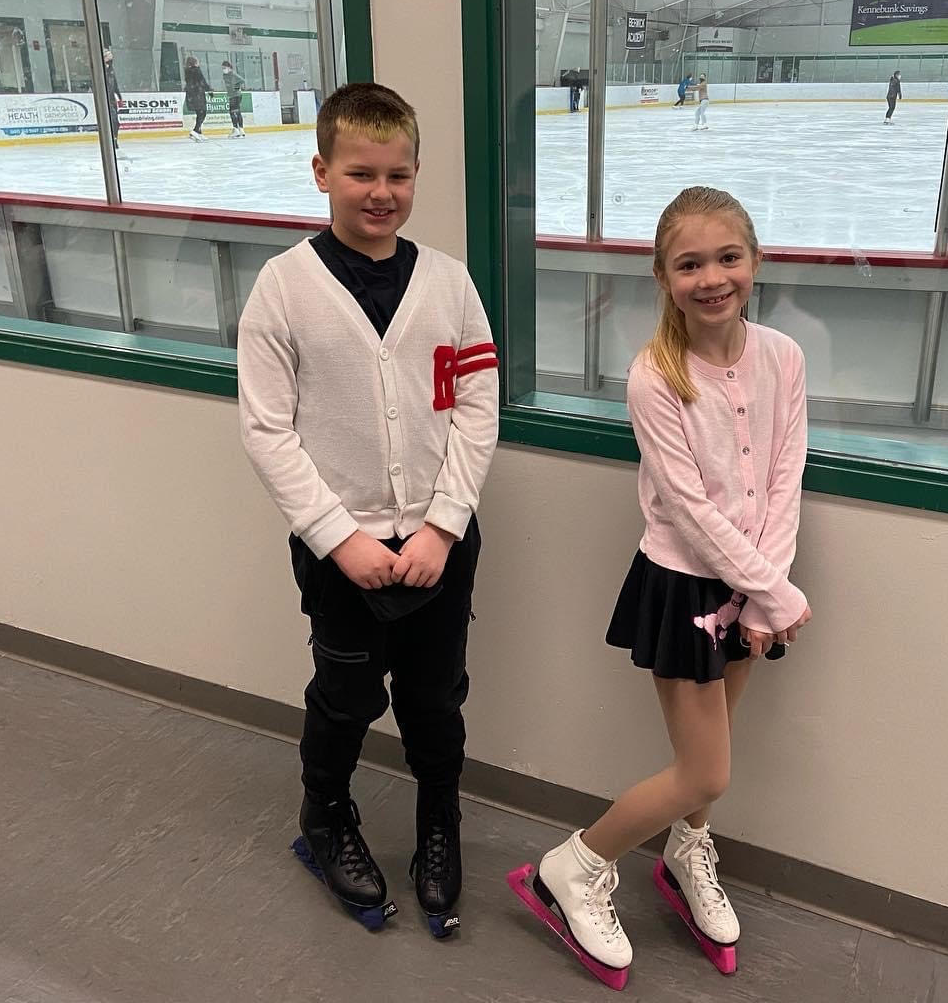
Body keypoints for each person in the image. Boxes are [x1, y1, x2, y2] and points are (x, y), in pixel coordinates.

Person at [510, 186, 812, 988]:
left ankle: (685, 853)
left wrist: (769, 589)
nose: (711, 277)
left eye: (727, 257)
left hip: (757, 585)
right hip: (685, 588)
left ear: (753, 260)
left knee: (716, 747)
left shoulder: (784, 356)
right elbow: (691, 508)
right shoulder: (656, 376)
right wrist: (767, 593)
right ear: (662, 275)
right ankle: (568, 870)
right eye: (690, 264)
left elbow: (785, 476)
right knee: (705, 770)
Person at [237, 82, 499, 938]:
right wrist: (339, 537)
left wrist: (442, 524)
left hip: (439, 543)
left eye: (398, 174)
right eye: (360, 173)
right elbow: (269, 431)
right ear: (322, 172)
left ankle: (437, 821)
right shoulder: (283, 289)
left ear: (417, 175)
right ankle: (325, 812)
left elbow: (476, 408)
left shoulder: (451, 286)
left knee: (434, 697)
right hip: (339, 553)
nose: (380, 191)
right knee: (345, 694)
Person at [102, 48, 125, 155]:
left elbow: (115, 85)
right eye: (109, 57)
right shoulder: (102, 71)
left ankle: (114, 138)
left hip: (112, 100)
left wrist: (120, 97)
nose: (111, 59)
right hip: (105, 100)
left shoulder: (111, 70)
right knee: (113, 121)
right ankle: (111, 139)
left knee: (116, 123)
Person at [183, 56, 211, 141]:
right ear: (195, 62)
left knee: (199, 112)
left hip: (191, 94)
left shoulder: (187, 71)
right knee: (203, 112)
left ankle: (199, 132)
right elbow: (202, 81)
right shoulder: (197, 70)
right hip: (198, 94)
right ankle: (195, 131)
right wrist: (209, 90)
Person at [221, 60, 247, 138]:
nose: (223, 69)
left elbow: (242, 80)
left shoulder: (233, 74)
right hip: (231, 96)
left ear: (229, 67)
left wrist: (236, 88)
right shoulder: (224, 75)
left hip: (236, 95)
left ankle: (236, 129)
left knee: (233, 112)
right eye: (222, 68)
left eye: (224, 68)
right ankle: (240, 129)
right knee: (237, 111)